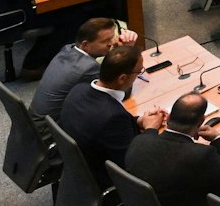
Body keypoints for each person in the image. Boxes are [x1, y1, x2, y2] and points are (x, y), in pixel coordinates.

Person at [57, 46, 161, 185]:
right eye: (138, 72)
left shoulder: (78, 89)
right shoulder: (113, 117)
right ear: (122, 78)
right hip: (103, 179)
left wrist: (139, 121)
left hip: (78, 168)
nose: (139, 76)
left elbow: (102, 127)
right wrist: (150, 130)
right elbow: (133, 162)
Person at [121, 91, 220, 206]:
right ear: (201, 121)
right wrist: (217, 139)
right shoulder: (200, 155)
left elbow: (149, 135)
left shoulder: (140, 140)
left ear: (168, 117)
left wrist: (151, 128)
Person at [31, 17, 135, 116]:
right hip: (49, 130)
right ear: (85, 45)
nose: (111, 43)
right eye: (105, 41)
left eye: (112, 38)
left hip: (34, 121)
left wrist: (116, 53)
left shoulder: (68, 49)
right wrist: (126, 52)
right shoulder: (87, 68)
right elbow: (121, 90)